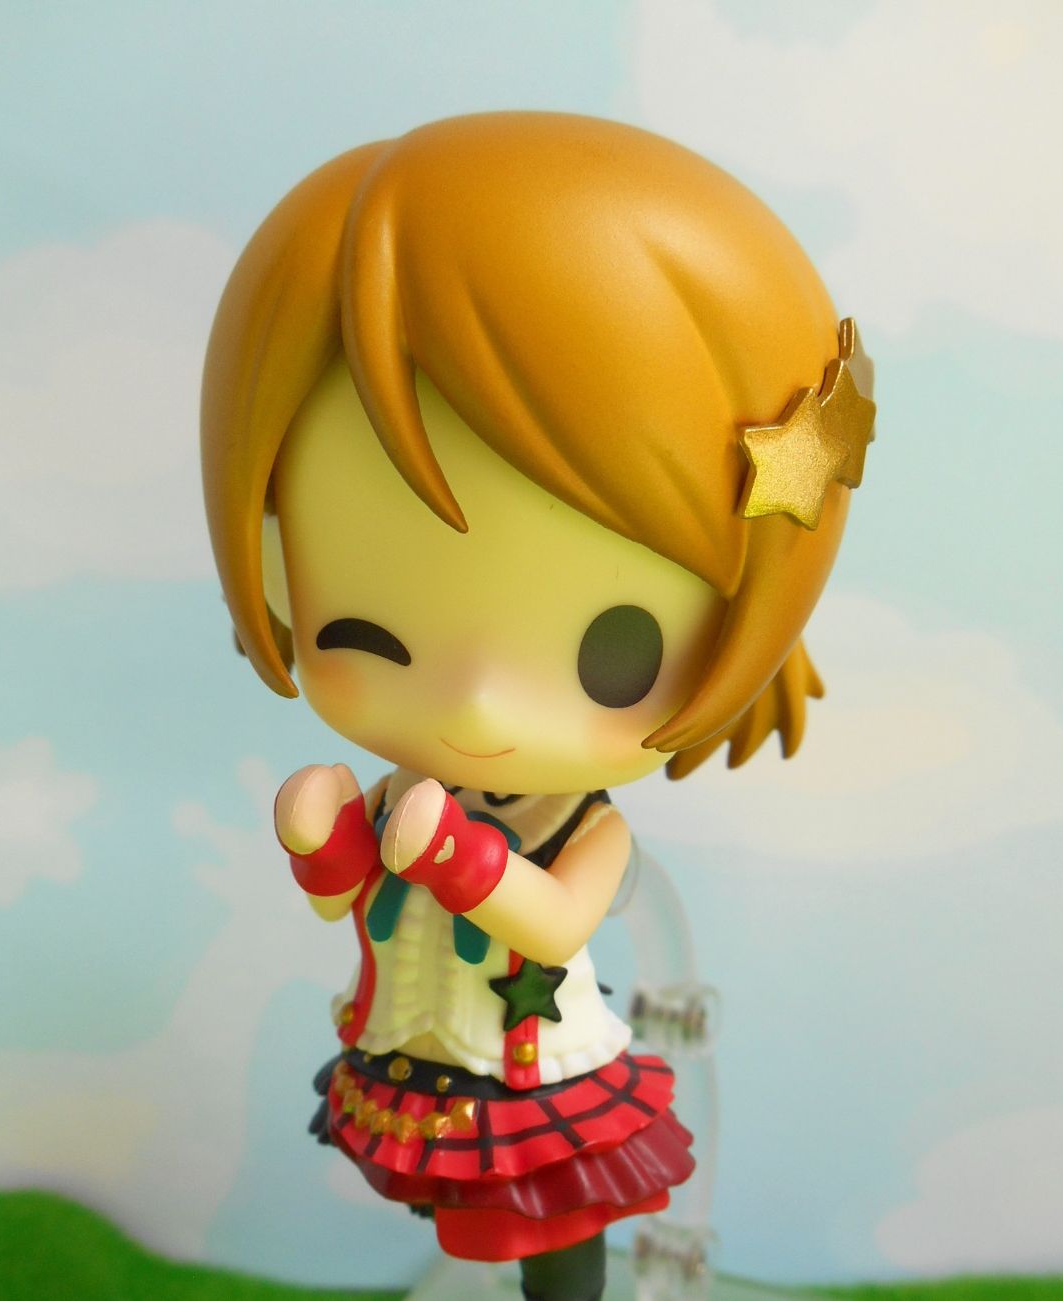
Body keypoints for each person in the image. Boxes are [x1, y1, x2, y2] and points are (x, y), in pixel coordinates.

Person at [201, 111, 874, 1301]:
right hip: (425, 1059)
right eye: (368, 633)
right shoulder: (407, 789)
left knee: (558, 1234)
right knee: (457, 1209)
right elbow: (347, 900)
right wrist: (327, 840)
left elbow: (557, 925)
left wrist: (454, 856)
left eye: (615, 652)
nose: (472, 704)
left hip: (537, 1075)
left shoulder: (585, 827)